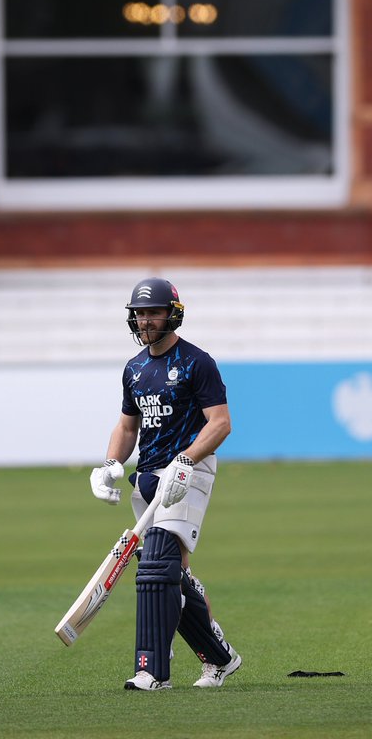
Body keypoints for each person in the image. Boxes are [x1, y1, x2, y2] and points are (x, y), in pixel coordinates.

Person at [89, 276, 242, 691]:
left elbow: (220, 423)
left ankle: (152, 670)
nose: (145, 320)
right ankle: (220, 657)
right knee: (171, 573)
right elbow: (127, 426)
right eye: (139, 313)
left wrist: (186, 460)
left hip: (189, 473)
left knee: (156, 566)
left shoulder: (196, 362)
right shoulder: (135, 368)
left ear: (173, 314)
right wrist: (109, 464)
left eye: (153, 312)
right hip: (149, 476)